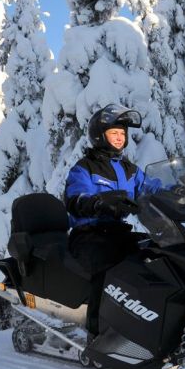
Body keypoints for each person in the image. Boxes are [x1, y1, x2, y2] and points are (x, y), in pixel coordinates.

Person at [64, 103, 148, 337]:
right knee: (108, 266)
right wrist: (96, 202)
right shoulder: (84, 168)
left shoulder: (130, 169)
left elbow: (152, 187)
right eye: (114, 133)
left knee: (155, 256)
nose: (120, 138)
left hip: (117, 232)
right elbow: (76, 196)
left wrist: (181, 193)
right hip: (88, 234)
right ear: (100, 136)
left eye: (123, 133)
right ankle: (98, 331)